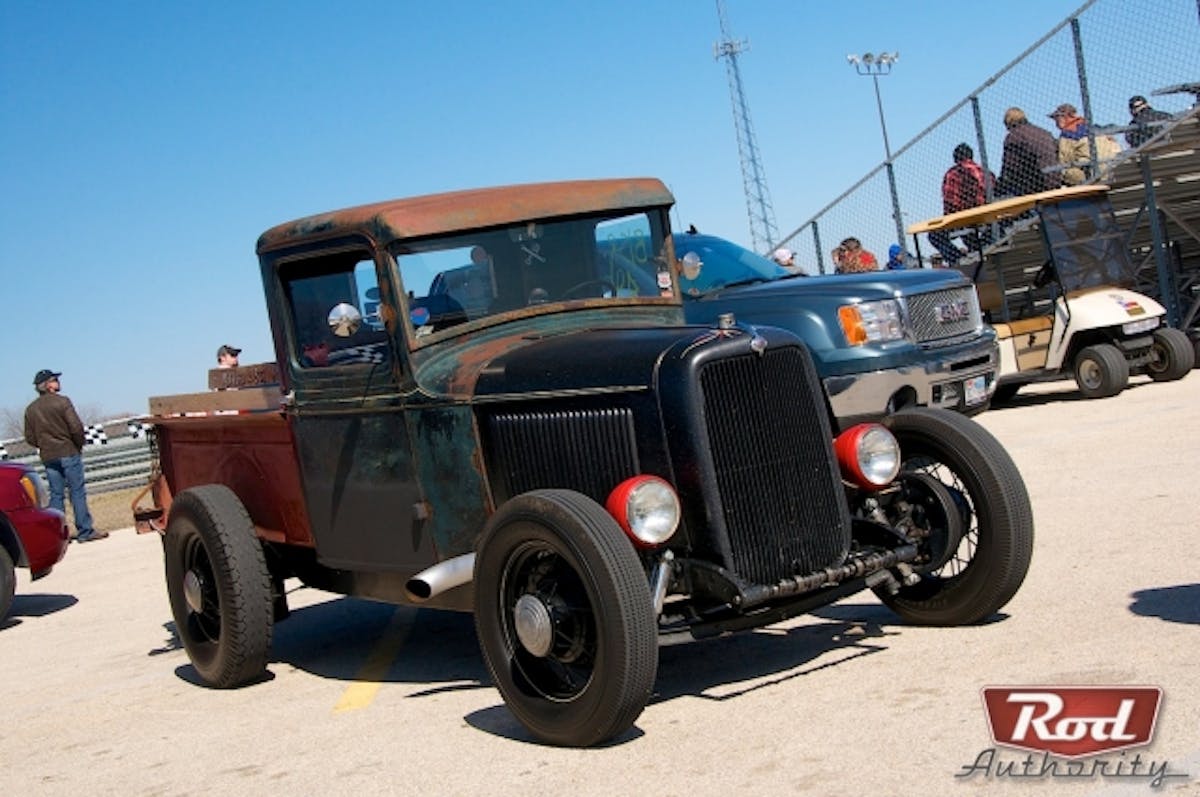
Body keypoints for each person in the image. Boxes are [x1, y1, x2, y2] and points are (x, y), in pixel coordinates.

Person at [23, 370, 107, 543]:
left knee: (56, 494)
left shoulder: (31, 409)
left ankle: (58, 534)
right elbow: (76, 427)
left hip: (48, 456)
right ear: (47, 385)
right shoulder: (63, 402)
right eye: (55, 380)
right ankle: (85, 530)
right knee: (77, 492)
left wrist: (44, 446)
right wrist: (78, 444)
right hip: (68, 451)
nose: (58, 382)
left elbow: (29, 437)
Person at [928, 143, 995, 267]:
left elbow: (950, 202)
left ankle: (957, 259)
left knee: (934, 235)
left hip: (964, 218)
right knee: (971, 234)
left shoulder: (953, 174)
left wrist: (947, 220)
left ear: (955, 159)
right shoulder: (986, 172)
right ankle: (977, 248)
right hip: (987, 217)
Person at [1049, 103, 1121, 185]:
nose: (1056, 123)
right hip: (1111, 170)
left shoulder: (1067, 134)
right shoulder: (1092, 127)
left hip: (1090, 176)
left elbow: (1064, 160)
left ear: (1063, 117)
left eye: (1056, 119)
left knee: (1063, 171)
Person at [996, 107, 1061, 197]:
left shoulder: (1013, 137)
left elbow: (1009, 167)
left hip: (1035, 184)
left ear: (1008, 122)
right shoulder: (1044, 132)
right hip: (1055, 179)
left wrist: (1000, 185)